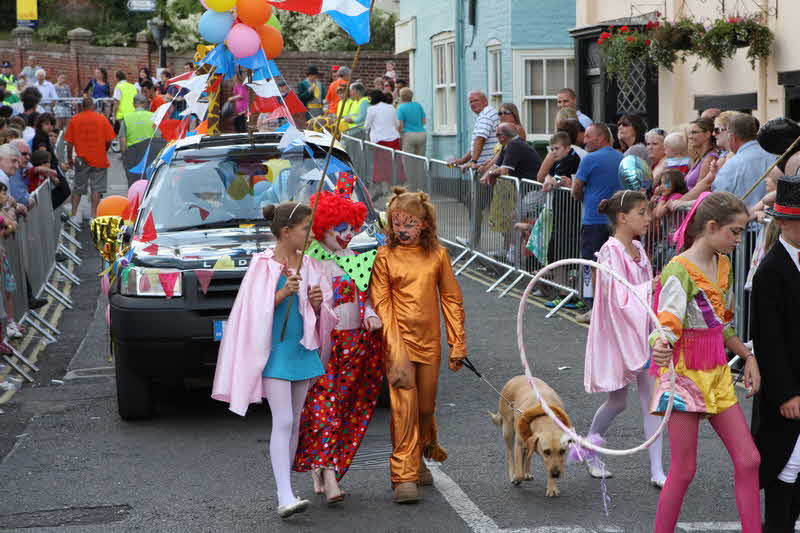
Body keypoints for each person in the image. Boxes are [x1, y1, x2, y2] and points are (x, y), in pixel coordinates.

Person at [212, 201, 335, 519]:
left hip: (302, 348)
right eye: (305, 229)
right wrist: (282, 294)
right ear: (286, 232)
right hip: (274, 351)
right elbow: (249, 313)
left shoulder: (309, 264)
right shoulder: (262, 264)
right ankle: (283, 496)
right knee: (282, 420)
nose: (310, 235)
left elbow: (319, 315)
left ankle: (288, 489)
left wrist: (316, 303)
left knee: (293, 421)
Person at [650, 191, 761, 532]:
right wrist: (659, 346)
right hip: (683, 376)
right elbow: (663, 326)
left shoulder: (723, 264)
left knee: (749, 460)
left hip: (717, 373)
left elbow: (721, 327)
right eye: (736, 231)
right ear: (711, 227)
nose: (739, 240)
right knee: (684, 468)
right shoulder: (678, 271)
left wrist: (747, 355)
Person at [370, 187, 467, 504]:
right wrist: (393, 346)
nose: (402, 230)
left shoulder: (438, 255)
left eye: (409, 224)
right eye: (397, 223)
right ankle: (403, 476)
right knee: (403, 409)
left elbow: (451, 300)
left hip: (430, 344)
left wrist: (457, 343)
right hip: (397, 343)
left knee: (425, 409)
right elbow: (382, 304)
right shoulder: (384, 257)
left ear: (424, 224)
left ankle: (422, 454)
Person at [293, 181, 383, 505]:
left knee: (343, 410)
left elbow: (367, 298)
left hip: (356, 345)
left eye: (351, 228)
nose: (346, 234)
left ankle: (321, 464)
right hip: (324, 346)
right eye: (339, 228)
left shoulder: (357, 259)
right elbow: (302, 304)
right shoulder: (311, 261)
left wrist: (371, 314)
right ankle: (330, 476)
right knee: (324, 410)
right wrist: (314, 306)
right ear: (322, 227)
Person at [582, 189, 667, 486]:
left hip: (641, 330)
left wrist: (654, 288)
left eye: (648, 212)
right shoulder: (610, 250)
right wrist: (651, 287)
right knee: (617, 402)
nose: (648, 218)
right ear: (622, 217)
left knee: (652, 400)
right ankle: (589, 449)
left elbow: (642, 291)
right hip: (618, 331)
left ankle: (657, 470)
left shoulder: (639, 249)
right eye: (642, 212)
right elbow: (618, 297)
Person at [751, 175, 800, 532]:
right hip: (788, 389)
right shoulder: (772, 270)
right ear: (783, 223)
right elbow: (767, 339)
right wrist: (786, 392)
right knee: (785, 468)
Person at [571, 123, 624, 322]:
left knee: (594, 265)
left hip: (593, 219)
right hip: (618, 220)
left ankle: (596, 309)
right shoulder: (622, 158)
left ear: (601, 138)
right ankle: (614, 307)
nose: (584, 141)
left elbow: (577, 187)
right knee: (615, 264)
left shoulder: (589, 159)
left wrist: (579, 196)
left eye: (589, 137)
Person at [685, 113, 776, 208]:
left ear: (733, 137)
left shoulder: (731, 164)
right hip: (770, 219)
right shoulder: (774, 157)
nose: (714, 134)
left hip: (741, 220)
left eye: (717, 130)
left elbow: (719, 200)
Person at [64, 97, 116, 225]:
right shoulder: (101, 119)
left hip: (81, 159)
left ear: (82, 107)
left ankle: (75, 215)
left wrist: (70, 158)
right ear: (93, 106)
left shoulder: (75, 120)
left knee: (78, 187)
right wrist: (104, 149)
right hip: (99, 158)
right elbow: (109, 140)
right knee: (96, 188)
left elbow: (69, 143)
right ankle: (93, 215)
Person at [364, 89, 402, 196]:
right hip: (394, 138)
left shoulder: (371, 109)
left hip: (380, 140)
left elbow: (366, 126)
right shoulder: (391, 107)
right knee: (394, 163)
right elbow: (397, 124)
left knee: (381, 165)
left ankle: (384, 189)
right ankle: (394, 187)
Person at [684, 117, 719, 191]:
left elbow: (699, 191)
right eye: (689, 133)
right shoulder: (700, 157)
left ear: (707, 134)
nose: (689, 137)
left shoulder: (710, 159)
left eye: (694, 132)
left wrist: (678, 201)